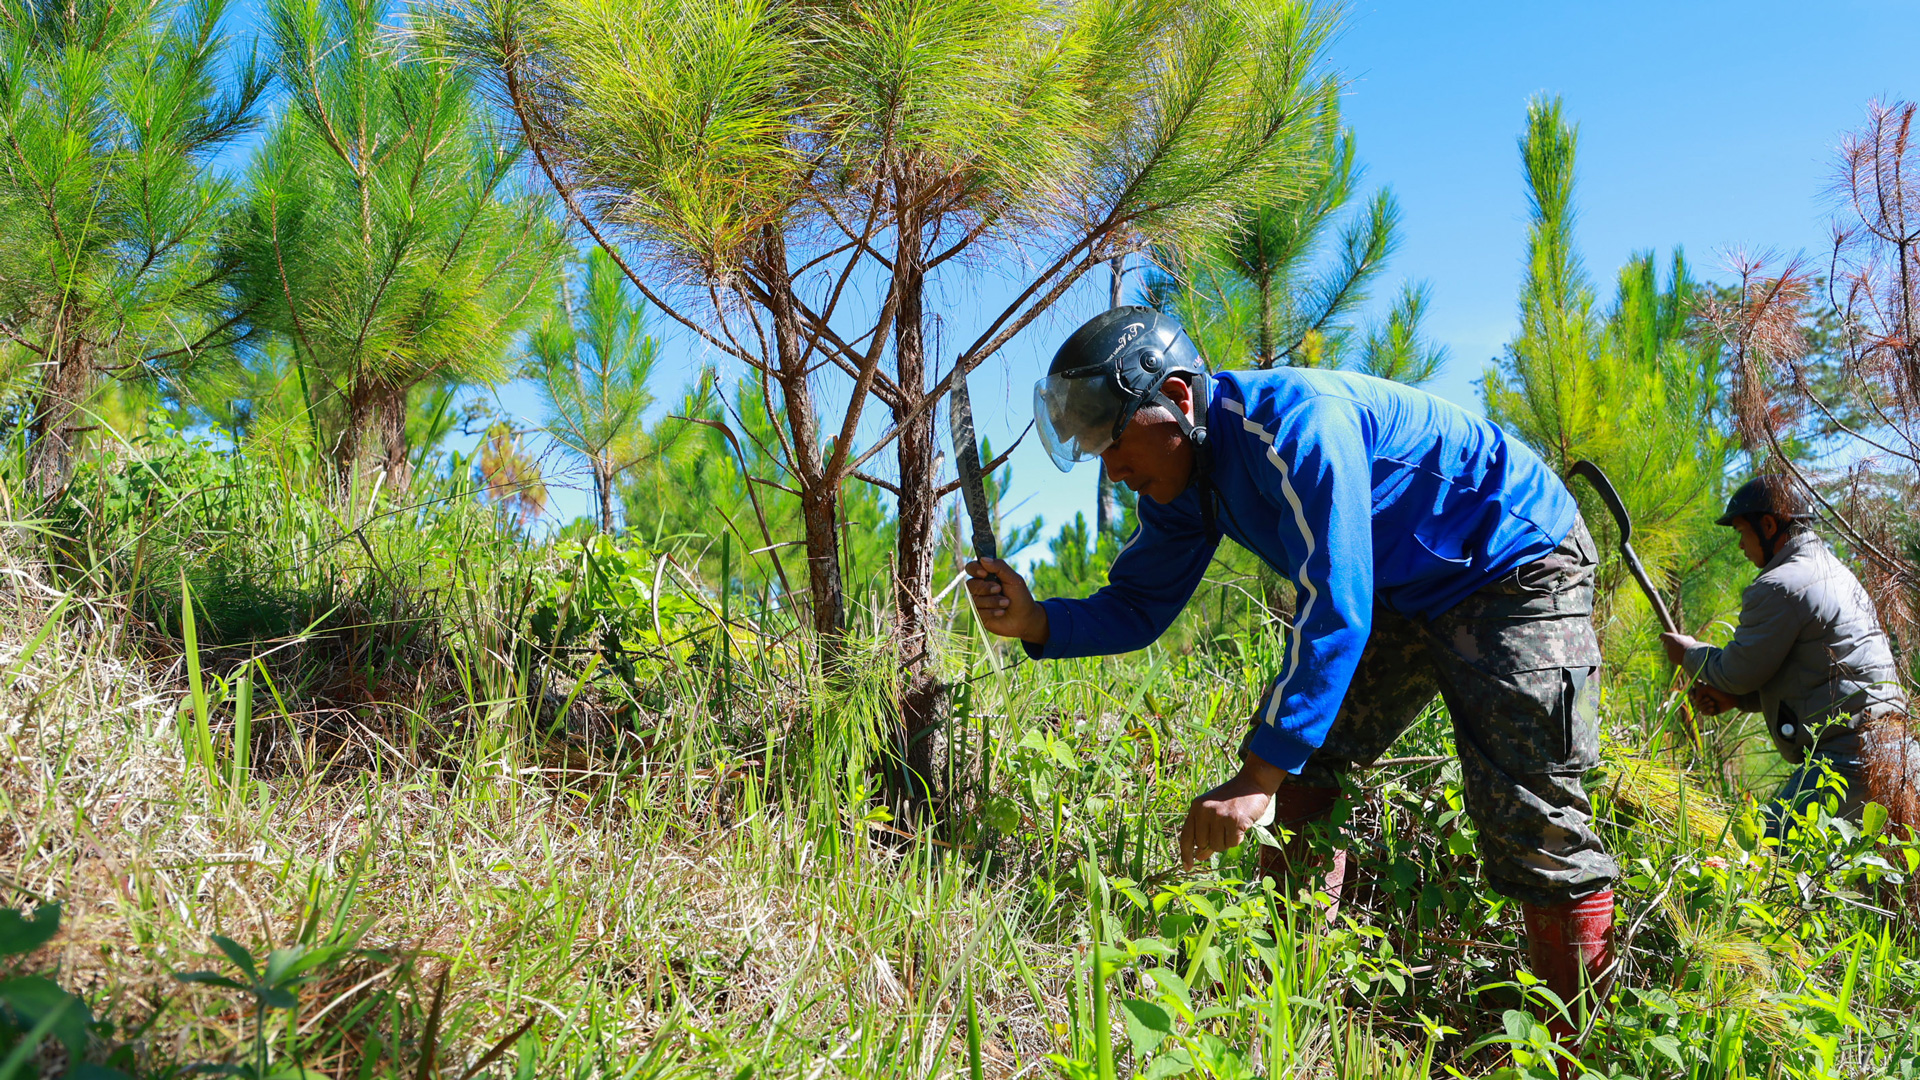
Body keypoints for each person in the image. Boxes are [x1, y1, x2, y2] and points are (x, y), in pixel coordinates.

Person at [966, 307, 1616, 1044]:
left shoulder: (1297, 425)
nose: (1111, 470)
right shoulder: (1185, 479)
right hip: (1402, 588)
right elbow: (1141, 604)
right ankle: (1291, 997)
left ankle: (1575, 1051)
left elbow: (1336, 606)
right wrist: (1037, 622)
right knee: (1309, 764)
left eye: (1114, 440)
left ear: (1178, 400)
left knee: (1536, 822)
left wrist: (1253, 779)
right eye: (1095, 452)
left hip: (1514, 560)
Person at [1660, 476, 1910, 839]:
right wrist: (1738, 699)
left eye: (1742, 533)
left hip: (1846, 759)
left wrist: (1688, 653)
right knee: (1879, 888)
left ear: (1768, 525)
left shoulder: (1780, 584)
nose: (1741, 547)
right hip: (1897, 756)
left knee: (1765, 857)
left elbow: (1737, 670)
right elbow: (1813, 676)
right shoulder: (1837, 573)